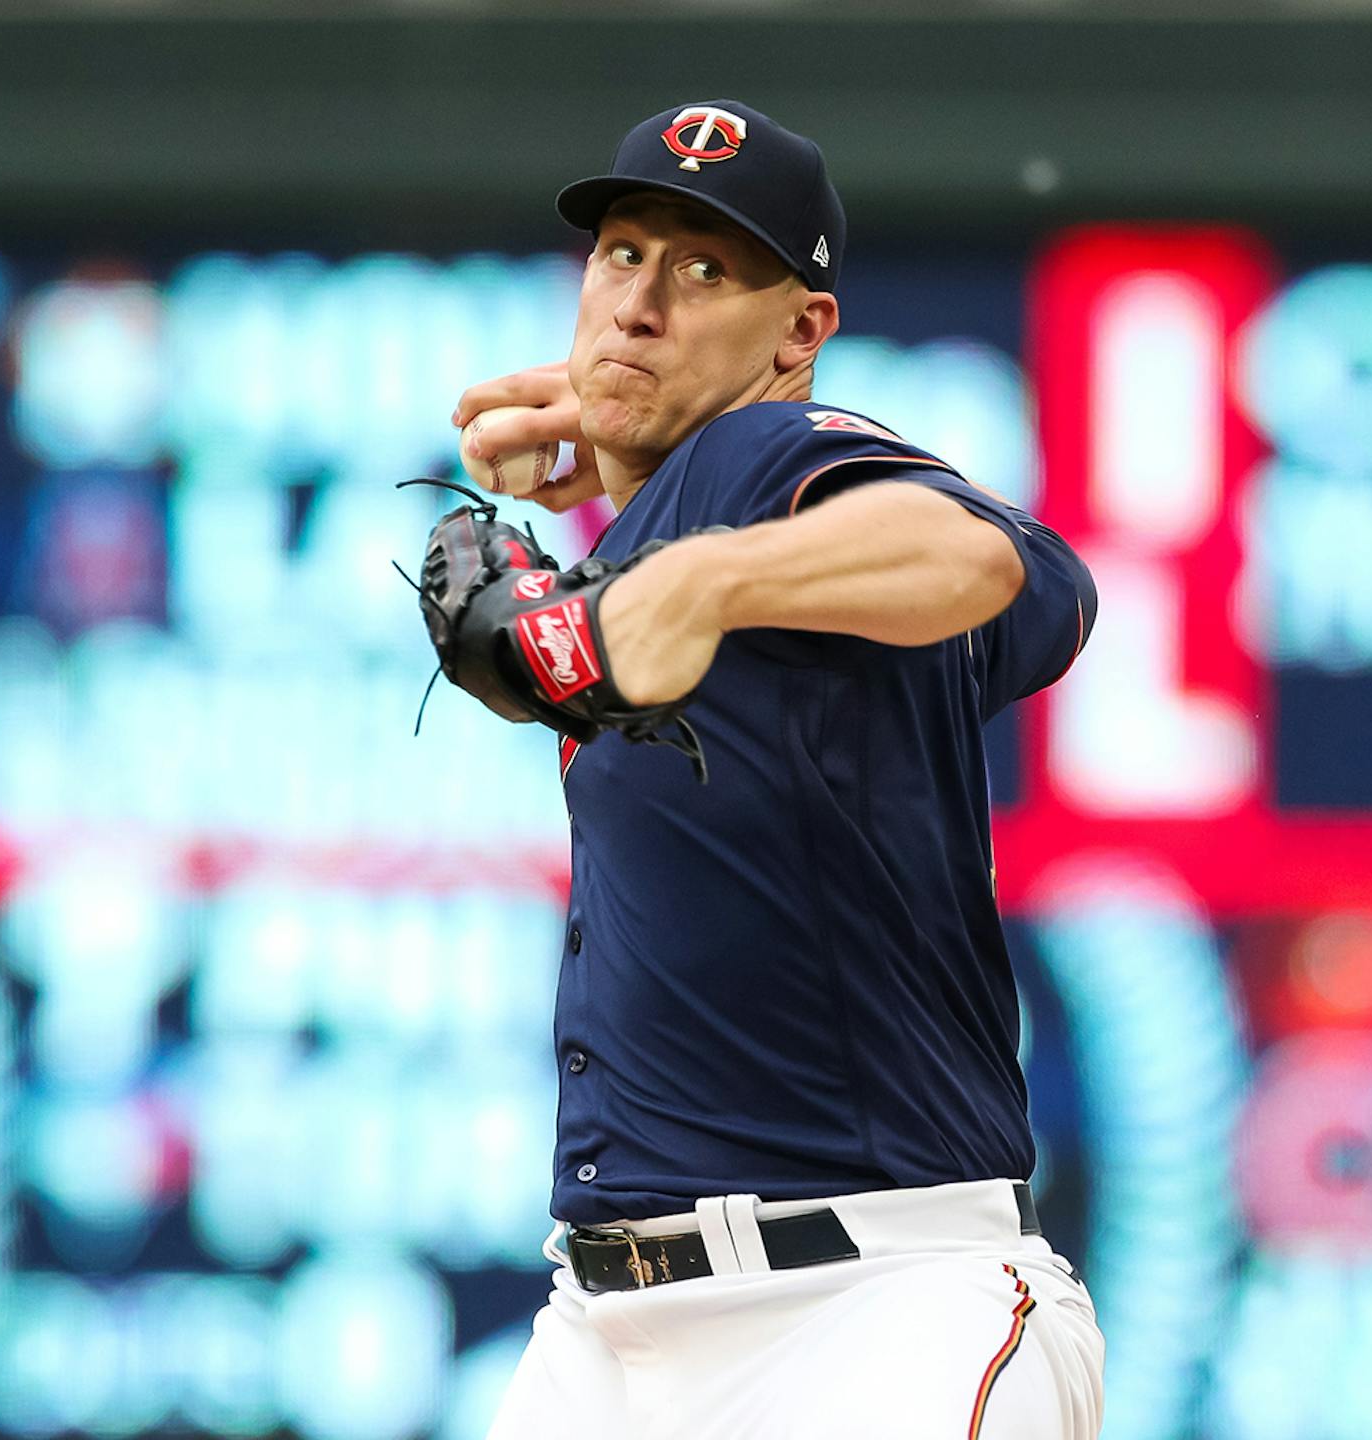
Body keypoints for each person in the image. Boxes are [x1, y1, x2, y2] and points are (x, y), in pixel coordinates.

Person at [450, 100, 1103, 1439]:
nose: (641, 302)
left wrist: (703, 570)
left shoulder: (767, 461)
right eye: (622, 254)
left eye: (704, 270)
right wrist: (625, 464)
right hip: (606, 1333)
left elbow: (995, 566)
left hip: (870, 1314)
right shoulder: (692, 489)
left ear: (800, 333)